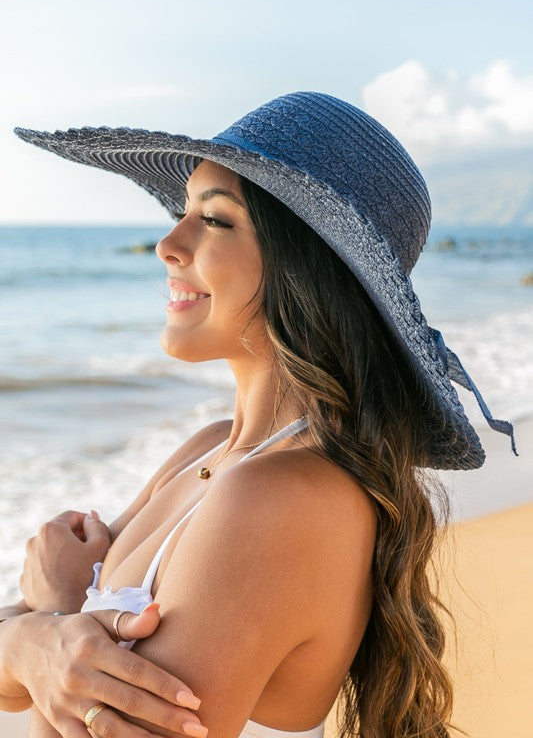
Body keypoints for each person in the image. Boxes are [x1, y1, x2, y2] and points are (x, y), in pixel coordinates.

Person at [0, 92, 515, 738]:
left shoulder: (278, 498)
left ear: (302, 269)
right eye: (183, 212)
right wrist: (35, 643)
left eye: (214, 221)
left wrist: (51, 613)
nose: (166, 243)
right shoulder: (208, 453)